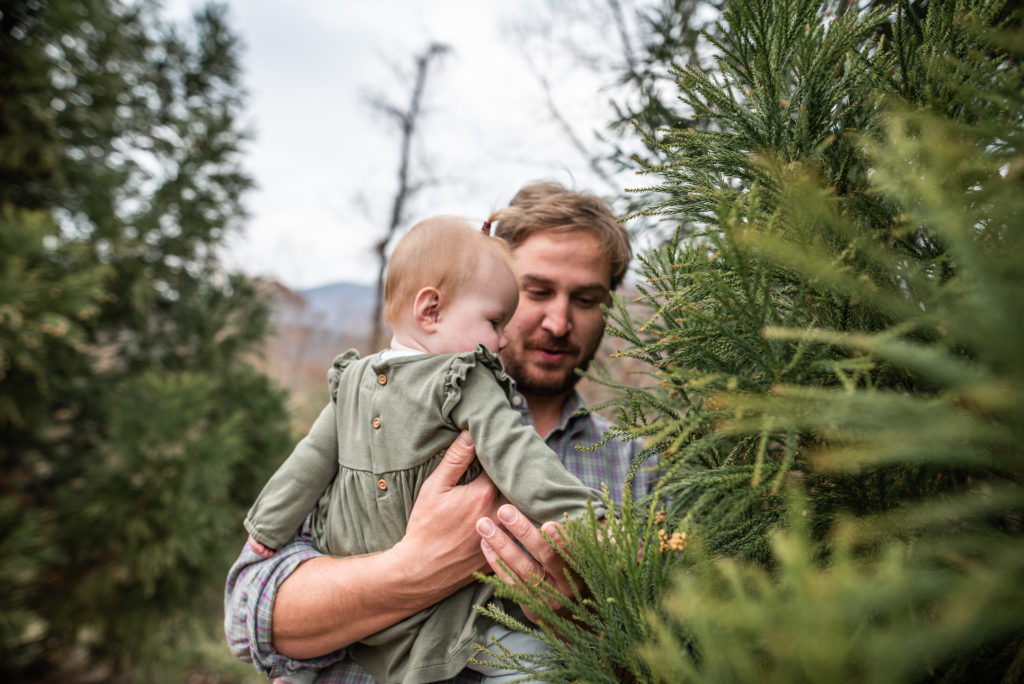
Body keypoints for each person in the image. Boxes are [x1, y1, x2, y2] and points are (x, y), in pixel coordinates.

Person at [224, 181, 656, 683]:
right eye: (534, 292)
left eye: (585, 299)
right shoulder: (368, 416)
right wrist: (417, 566)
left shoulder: (637, 468)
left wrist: (580, 615)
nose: (558, 322)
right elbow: (247, 617)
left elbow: (677, 653)